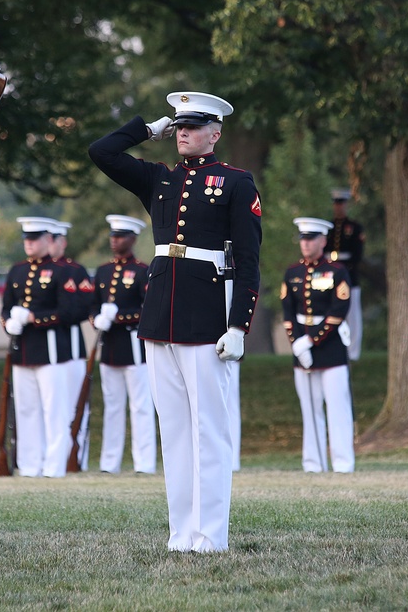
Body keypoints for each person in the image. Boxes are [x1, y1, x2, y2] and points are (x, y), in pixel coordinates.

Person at [89, 91, 262, 552]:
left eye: (194, 124)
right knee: (175, 430)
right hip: (160, 315)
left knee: (209, 429)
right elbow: (101, 151)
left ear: (216, 132)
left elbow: (248, 261)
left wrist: (238, 325)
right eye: (180, 125)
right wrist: (149, 128)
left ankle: (211, 534)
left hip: (207, 315)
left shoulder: (236, 182)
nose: (184, 131)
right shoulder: (158, 179)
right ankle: (181, 533)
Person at [1, 217, 77, 478]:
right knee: (26, 409)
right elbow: (5, 307)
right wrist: (8, 321)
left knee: (54, 410)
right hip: (22, 350)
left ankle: (54, 465)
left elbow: (68, 312)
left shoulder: (60, 271)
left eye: (35, 239)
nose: (29, 244)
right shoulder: (17, 271)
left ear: (48, 240)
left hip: (51, 352)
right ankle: (29, 464)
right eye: (27, 239)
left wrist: (35, 318)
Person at [282, 218, 354, 473]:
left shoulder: (336, 271)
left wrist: (311, 340)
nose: (306, 243)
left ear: (323, 241)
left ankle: (343, 463)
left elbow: (339, 310)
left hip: (330, 346)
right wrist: (297, 344)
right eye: (303, 238)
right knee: (309, 409)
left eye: (311, 239)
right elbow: (288, 312)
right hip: (302, 348)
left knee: (337, 407)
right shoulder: (292, 273)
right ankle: (313, 464)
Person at [92, 214, 156, 474]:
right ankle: (110, 462)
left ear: (133, 238)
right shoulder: (103, 271)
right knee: (113, 406)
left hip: (133, 345)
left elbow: (149, 309)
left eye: (120, 236)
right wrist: (97, 318)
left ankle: (144, 462)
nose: (114, 240)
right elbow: (93, 304)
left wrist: (119, 317)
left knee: (140, 406)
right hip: (110, 346)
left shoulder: (143, 271)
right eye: (112, 235)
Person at [47, 220, 93, 471]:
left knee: (75, 406)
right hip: (48, 350)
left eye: (52, 239)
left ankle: (77, 458)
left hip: (72, 348)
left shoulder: (75, 271)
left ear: (62, 242)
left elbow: (81, 308)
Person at [328, 188, 365, 361]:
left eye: (341, 204)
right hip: (331, 274)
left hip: (349, 274)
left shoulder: (355, 227)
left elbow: (358, 254)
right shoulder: (329, 227)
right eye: (336, 204)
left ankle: (353, 351)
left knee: (352, 315)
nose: (339, 207)